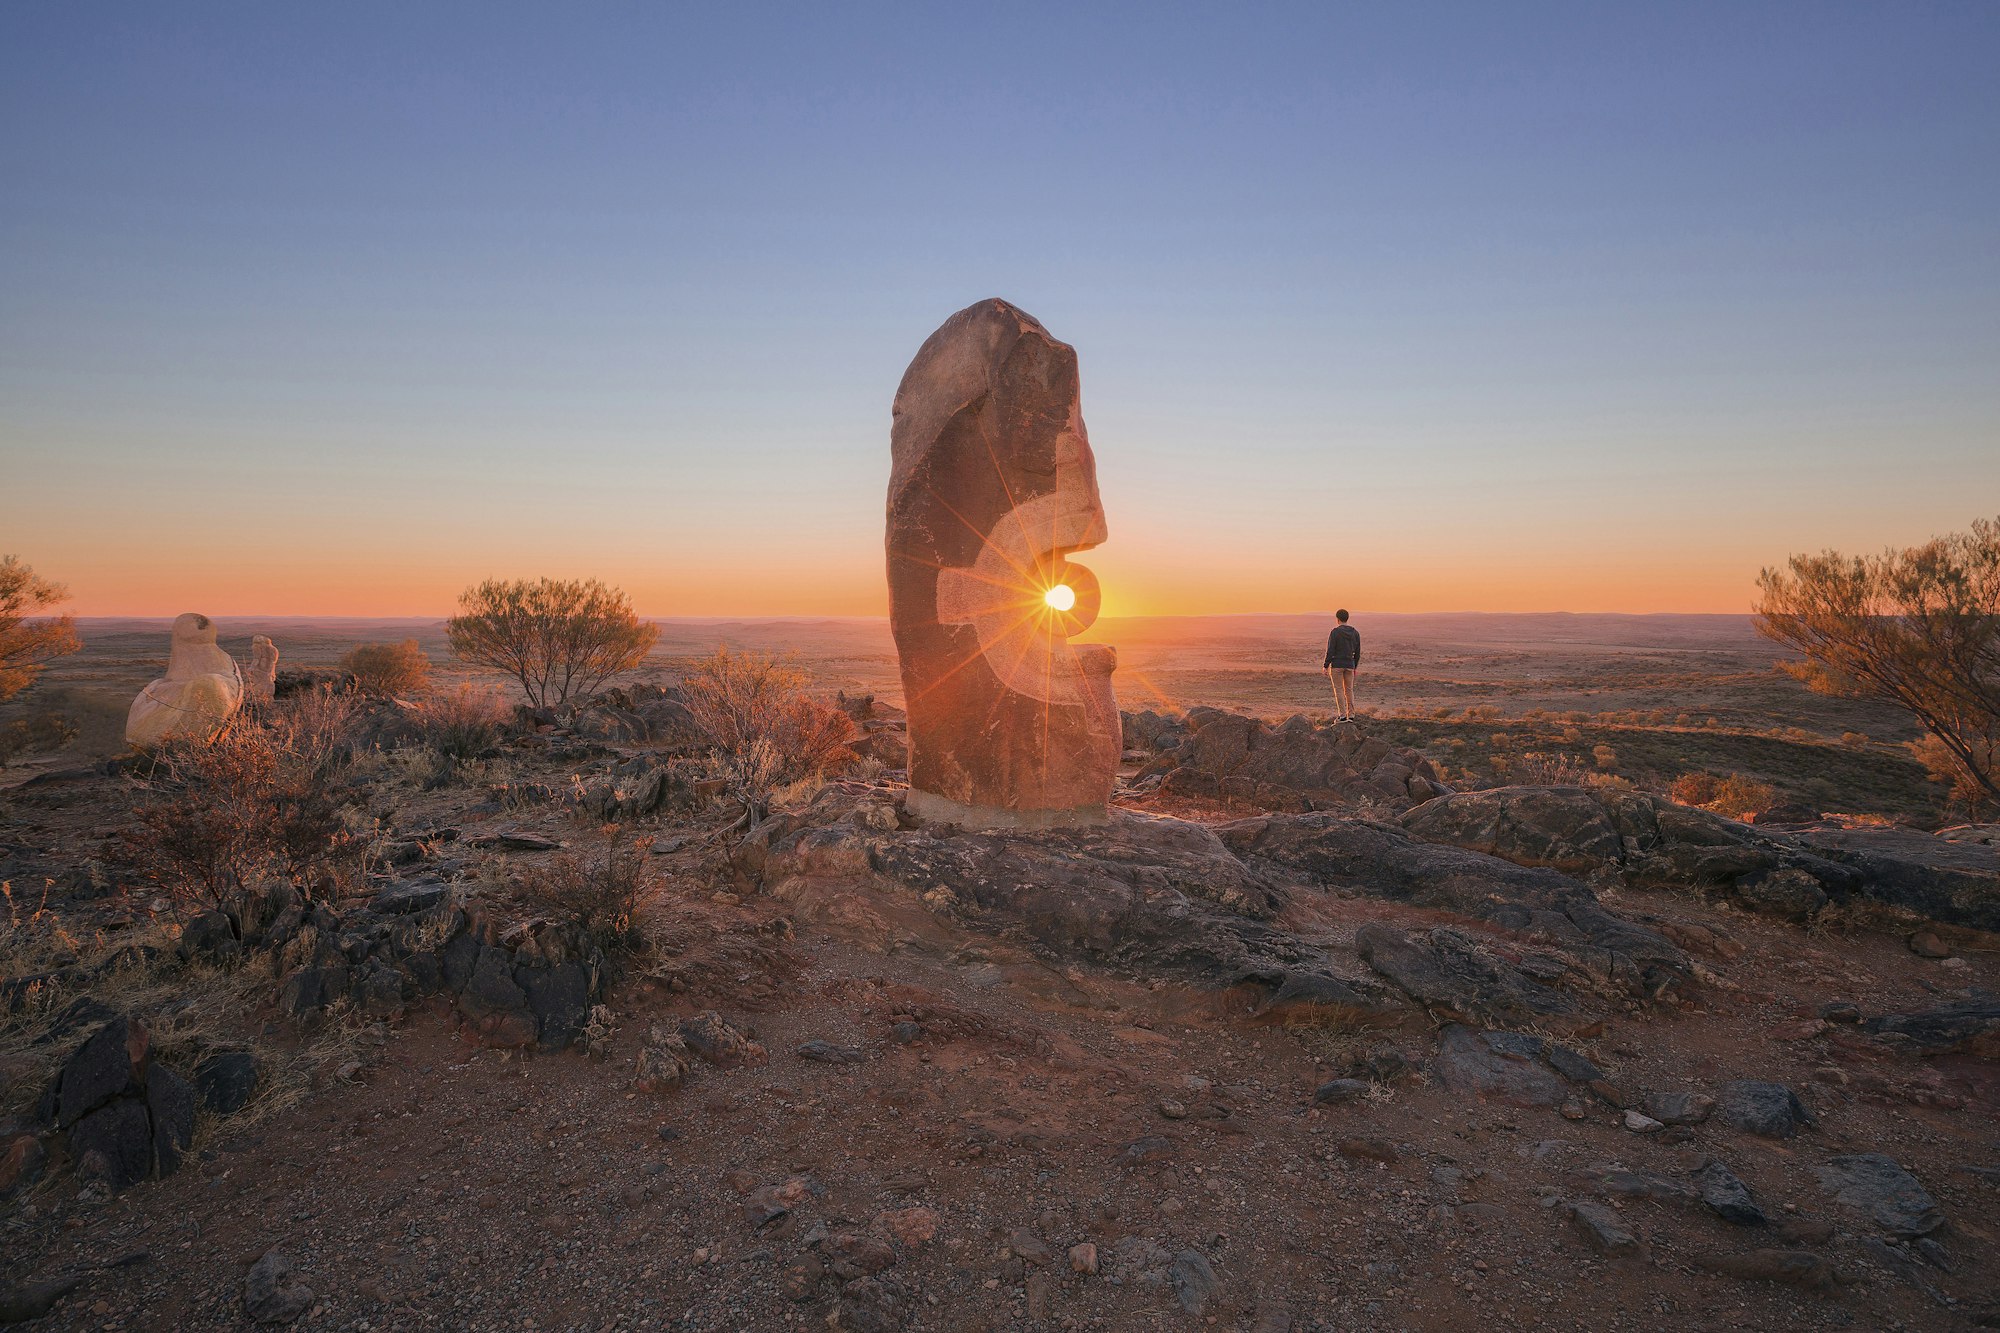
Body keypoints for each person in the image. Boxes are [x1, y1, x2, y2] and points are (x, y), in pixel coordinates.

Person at [1323, 608, 1360, 721]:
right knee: (1349, 690)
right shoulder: (1355, 633)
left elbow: (1330, 650)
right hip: (1350, 664)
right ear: (1347, 618)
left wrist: (1326, 665)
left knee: (1338, 689)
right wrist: (1355, 666)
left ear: (1337, 619)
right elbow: (1357, 652)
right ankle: (1351, 715)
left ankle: (1343, 715)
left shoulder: (1335, 632)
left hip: (1337, 665)